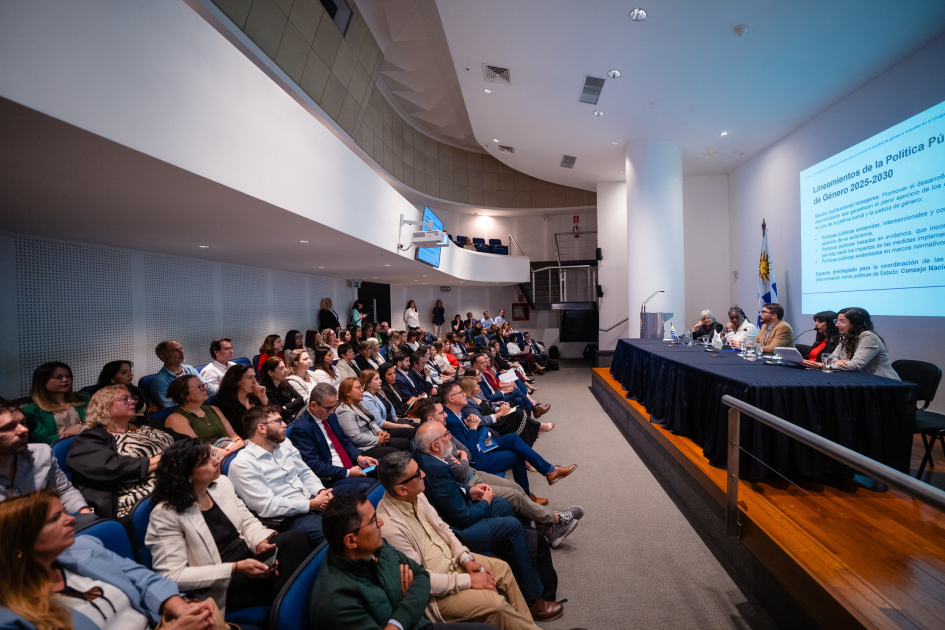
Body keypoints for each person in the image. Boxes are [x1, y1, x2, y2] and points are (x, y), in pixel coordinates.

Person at [377, 452, 559, 630]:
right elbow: (421, 581)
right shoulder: (390, 527)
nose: (423, 474)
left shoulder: (415, 494)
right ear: (401, 489)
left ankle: (528, 624)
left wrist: (466, 559)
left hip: (452, 560)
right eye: (417, 474)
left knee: (503, 569)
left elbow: (443, 529)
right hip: (436, 594)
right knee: (496, 604)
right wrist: (468, 580)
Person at [0, 489, 215, 630]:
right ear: (20, 543)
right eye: (55, 519)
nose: (71, 520)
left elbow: (143, 578)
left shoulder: (83, 546)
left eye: (65, 512)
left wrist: (184, 611)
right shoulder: (11, 616)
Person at [414, 422, 564, 621]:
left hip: (456, 512)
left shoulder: (429, 458)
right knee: (511, 527)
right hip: (457, 531)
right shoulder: (436, 468)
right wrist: (484, 503)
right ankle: (533, 601)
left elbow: (454, 487)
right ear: (434, 445)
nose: (450, 437)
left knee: (502, 504)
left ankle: (520, 555)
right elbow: (463, 517)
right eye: (446, 434)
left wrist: (469, 490)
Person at [146, 439, 311, 614]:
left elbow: (247, 522)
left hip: (248, 558)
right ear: (187, 475)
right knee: (291, 575)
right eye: (206, 461)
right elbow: (172, 576)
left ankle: (292, 605)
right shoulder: (165, 514)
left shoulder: (221, 485)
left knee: (296, 539)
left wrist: (260, 543)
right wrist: (236, 568)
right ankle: (291, 610)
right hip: (223, 582)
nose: (217, 461)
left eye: (212, 455)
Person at [312, 493, 496, 630]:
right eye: (373, 520)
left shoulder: (374, 546)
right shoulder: (337, 601)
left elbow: (421, 576)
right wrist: (407, 601)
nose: (381, 523)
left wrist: (398, 617)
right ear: (351, 541)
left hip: (415, 623)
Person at [414, 400, 580, 548]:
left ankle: (544, 516)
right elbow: (464, 462)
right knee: (514, 492)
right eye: (441, 412)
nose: (445, 414)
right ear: (430, 418)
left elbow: (464, 450)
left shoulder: (443, 428)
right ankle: (556, 519)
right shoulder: (434, 436)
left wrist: (462, 455)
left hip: (475, 462)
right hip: (471, 474)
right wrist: (466, 450)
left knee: (515, 475)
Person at [227, 405, 334, 546]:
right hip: (290, 518)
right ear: (261, 428)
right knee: (337, 532)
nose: (284, 425)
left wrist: (320, 491)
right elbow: (267, 506)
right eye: (278, 421)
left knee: (354, 515)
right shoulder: (242, 464)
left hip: (313, 501)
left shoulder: (284, 444)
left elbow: (304, 472)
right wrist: (310, 505)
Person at [441, 382, 572, 497]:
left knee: (512, 438)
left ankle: (550, 471)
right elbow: (469, 452)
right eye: (461, 392)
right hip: (477, 457)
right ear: (451, 398)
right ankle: (532, 491)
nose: (465, 394)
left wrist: (470, 425)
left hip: (480, 444)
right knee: (517, 456)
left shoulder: (456, 413)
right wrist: (473, 428)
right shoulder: (450, 419)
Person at [67, 385, 175, 519]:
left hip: (172, 484)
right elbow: (111, 467)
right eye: (125, 399)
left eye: (132, 398)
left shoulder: (145, 425)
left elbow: (179, 441)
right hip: (135, 500)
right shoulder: (90, 438)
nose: (133, 402)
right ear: (104, 406)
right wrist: (164, 459)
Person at [0, 401, 96, 528]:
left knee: (92, 523)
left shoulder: (41, 453)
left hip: (48, 524)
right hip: (9, 537)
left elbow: (63, 490)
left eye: (23, 423)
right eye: (8, 427)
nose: (24, 430)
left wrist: (83, 510)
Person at [287, 383, 377, 493]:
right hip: (331, 477)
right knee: (371, 485)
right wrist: (347, 472)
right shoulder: (301, 429)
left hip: (351, 466)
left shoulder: (331, 416)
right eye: (328, 408)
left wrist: (357, 457)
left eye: (334, 406)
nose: (332, 411)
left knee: (385, 467)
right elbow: (314, 465)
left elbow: (344, 440)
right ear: (313, 405)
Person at [801, 307, 900, 379]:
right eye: (837, 321)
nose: (837, 325)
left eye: (842, 321)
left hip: (883, 382)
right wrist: (839, 362)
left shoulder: (868, 336)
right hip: (859, 380)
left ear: (855, 323)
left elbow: (855, 365)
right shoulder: (845, 336)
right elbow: (832, 358)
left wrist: (822, 365)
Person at [164, 376, 244, 457]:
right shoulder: (175, 419)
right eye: (199, 387)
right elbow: (199, 448)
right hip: (208, 458)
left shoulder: (214, 409)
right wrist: (229, 452)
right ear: (184, 395)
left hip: (229, 449)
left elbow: (233, 435)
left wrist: (238, 443)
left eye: (203, 385)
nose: (205, 389)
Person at [335, 378, 411, 459]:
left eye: (361, 387)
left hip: (376, 439)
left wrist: (381, 432)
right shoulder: (344, 411)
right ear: (347, 392)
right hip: (365, 448)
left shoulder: (359, 403)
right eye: (358, 388)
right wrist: (377, 439)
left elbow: (371, 422)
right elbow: (356, 438)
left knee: (406, 443)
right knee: (397, 453)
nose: (362, 390)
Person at [458, 377, 544, 446]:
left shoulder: (477, 395)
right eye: (476, 385)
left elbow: (489, 405)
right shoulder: (468, 403)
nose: (478, 386)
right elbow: (481, 421)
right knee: (518, 413)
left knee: (518, 410)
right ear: (469, 388)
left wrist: (499, 408)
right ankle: (537, 426)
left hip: (495, 417)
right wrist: (500, 413)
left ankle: (535, 428)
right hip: (491, 425)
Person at [23, 362, 91, 445]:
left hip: (89, 443)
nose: (65, 380)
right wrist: (74, 434)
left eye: (68, 376)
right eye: (58, 377)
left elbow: (102, 421)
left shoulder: (83, 398)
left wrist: (82, 426)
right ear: (43, 381)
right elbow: (43, 439)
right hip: (57, 449)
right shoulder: (31, 409)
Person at [359, 370, 418, 440]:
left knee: (420, 425)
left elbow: (390, 414)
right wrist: (402, 425)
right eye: (376, 379)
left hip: (392, 422)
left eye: (379, 378)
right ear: (368, 383)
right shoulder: (366, 397)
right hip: (385, 429)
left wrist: (400, 420)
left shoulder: (379, 393)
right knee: (414, 431)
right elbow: (380, 423)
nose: (380, 381)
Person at [214, 364, 268, 440]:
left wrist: (263, 399)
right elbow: (242, 431)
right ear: (236, 381)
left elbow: (272, 417)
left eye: (254, 376)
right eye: (249, 378)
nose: (255, 381)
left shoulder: (255, 396)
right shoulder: (226, 404)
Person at [150, 341, 204, 410]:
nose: (181, 353)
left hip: (198, 407)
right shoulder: (160, 381)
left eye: (181, 349)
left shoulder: (189, 369)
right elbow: (169, 406)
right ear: (163, 357)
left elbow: (205, 386)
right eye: (175, 350)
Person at [259, 357, 306, 422]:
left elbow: (300, 399)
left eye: (285, 367)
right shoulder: (267, 390)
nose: (285, 370)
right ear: (270, 373)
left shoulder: (284, 382)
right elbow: (281, 412)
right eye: (281, 368)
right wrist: (293, 403)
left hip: (295, 416)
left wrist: (286, 406)